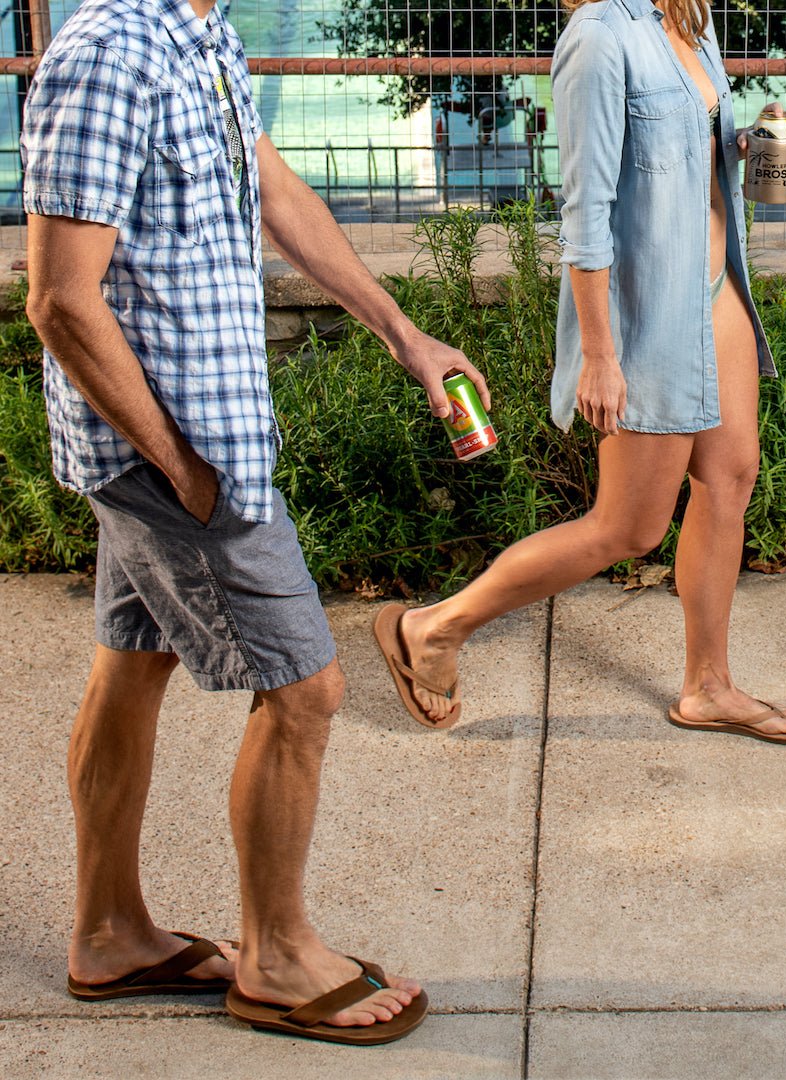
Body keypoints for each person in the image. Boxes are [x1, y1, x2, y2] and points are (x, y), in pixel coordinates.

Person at [22, 0, 489, 1048]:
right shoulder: (111, 51)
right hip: (179, 451)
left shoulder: (203, 32)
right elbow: (59, 300)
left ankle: (109, 933)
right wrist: (182, 465)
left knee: (129, 665)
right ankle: (276, 959)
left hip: (190, 439)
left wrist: (405, 335)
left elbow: (273, 191)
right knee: (307, 689)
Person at [374, 0, 786, 744]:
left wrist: (750, 143)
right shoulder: (599, 37)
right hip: (649, 312)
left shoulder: (690, 20)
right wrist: (601, 354)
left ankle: (708, 687)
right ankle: (433, 628)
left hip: (717, 289)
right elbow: (587, 210)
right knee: (628, 527)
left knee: (730, 480)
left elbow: (679, 156)